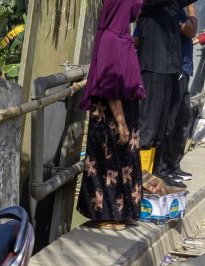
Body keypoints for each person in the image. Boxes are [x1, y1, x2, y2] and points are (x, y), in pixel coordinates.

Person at [78, 0, 146, 230]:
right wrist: (120, 121)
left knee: (124, 162)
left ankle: (122, 212)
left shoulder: (123, 38)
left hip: (125, 112)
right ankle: (105, 214)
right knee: (108, 164)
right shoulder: (112, 40)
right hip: (111, 115)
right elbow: (109, 86)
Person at [137, 0, 186, 185]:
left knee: (162, 130)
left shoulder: (172, 7)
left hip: (170, 69)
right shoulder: (150, 5)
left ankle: (153, 179)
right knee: (148, 129)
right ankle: (139, 181)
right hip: (153, 67)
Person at [159, 3, 199, 184]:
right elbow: (191, 30)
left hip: (184, 71)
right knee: (171, 121)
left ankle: (173, 165)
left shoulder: (178, 11)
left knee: (183, 120)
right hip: (175, 72)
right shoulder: (169, 10)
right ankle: (163, 168)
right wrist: (191, 8)